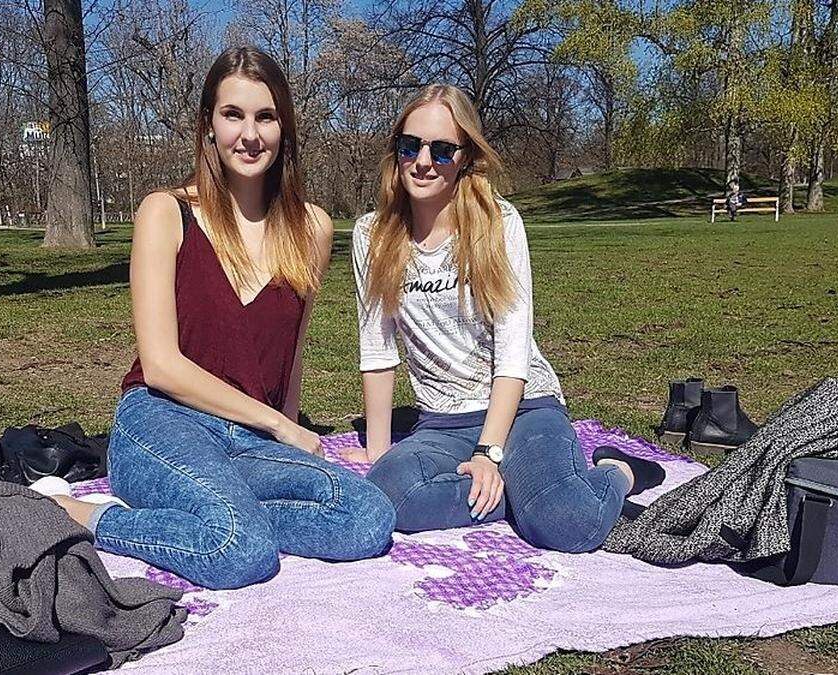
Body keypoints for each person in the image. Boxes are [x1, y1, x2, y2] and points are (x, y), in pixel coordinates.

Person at [40, 47, 395, 590]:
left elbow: (291, 355)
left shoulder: (314, 229)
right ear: (209, 124)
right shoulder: (166, 212)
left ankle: (221, 516)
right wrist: (281, 426)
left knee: (369, 517)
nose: (249, 135)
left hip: (249, 440)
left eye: (266, 116)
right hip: (163, 421)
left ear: (285, 129)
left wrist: (281, 428)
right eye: (233, 115)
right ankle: (85, 515)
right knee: (240, 552)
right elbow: (160, 366)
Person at [346, 84, 665, 552]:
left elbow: (513, 354)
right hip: (440, 422)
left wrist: (488, 454)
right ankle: (526, 492)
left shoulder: (499, 223)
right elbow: (377, 350)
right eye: (410, 145)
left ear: (467, 157)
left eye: (442, 150)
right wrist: (377, 451)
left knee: (568, 523)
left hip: (523, 408)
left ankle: (618, 471)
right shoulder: (372, 235)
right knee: (389, 493)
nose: (423, 161)